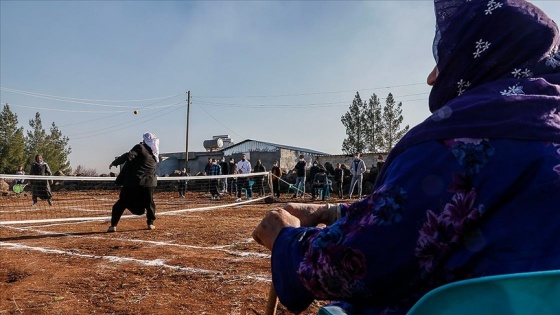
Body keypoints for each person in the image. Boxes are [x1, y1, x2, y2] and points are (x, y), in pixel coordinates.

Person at [252, 0, 560, 313]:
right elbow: (452, 213)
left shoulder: (456, 142)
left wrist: (285, 240)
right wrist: (334, 212)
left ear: (479, 54)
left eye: (445, 56)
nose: (431, 77)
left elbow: (358, 260)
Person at [107, 132, 159, 232]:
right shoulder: (154, 154)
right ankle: (150, 223)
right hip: (149, 183)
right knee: (149, 203)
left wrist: (115, 162)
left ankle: (113, 225)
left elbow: (129, 155)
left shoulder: (140, 147)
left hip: (134, 182)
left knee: (121, 203)